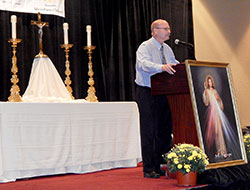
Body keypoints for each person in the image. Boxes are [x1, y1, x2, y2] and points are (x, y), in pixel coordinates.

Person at [135, 19, 179, 178]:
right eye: (165, 28)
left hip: (163, 93)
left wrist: (183, 67)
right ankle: (148, 168)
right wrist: (161, 67)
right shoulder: (145, 47)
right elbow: (143, 64)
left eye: (169, 28)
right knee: (149, 130)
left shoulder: (167, 49)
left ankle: (158, 164)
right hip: (147, 92)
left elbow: (173, 64)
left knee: (164, 130)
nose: (169, 31)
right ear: (154, 31)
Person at [202, 75, 241, 162]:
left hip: (218, 112)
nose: (210, 83)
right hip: (212, 112)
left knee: (220, 132)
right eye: (208, 82)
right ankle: (218, 151)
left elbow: (220, 103)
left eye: (211, 81)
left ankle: (223, 150)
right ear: (207, 83)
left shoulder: (215, 90)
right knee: (215, 132)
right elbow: (206, 103)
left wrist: (218, 99)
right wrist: (205, 92)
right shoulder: (207, 91)